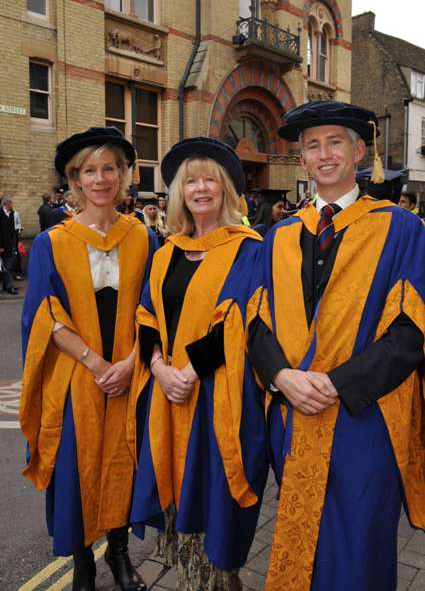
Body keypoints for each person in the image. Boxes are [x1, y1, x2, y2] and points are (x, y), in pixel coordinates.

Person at [248, 101, 425, 591]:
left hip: (364, 417)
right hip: (293, 413)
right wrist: (281, 379)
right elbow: (257, 324)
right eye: (311, 146)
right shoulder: (279, 235)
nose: (323, 154)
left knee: (360, 542)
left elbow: (411, 332)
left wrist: (335, 383)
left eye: (334, 142)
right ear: (301, 160)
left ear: (358, 151)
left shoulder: (400, 229)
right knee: (303, 535)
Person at [20, 127, 157, 591]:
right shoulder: (52, 243)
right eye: (88, 171)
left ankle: (118, 555)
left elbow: (154, 310)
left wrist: (132, 361)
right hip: (77, 376)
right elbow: (45, 317)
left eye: (109, 169)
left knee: (125, 462)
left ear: (122, 176)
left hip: (130, 374)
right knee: (76, 470)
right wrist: (98, 365)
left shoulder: (142, 237)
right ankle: (82, 562)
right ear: (75, 182)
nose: (100, 179)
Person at [128, 137, 268, 591]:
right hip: (169, 390)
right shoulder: (166, 251)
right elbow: (147, 315)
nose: (201, 189)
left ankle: (223, 577)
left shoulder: (249, 249)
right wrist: (159, 366)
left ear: (226, 189)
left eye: (211, 179)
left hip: (217, 393)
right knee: (175, 486)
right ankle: (195, 574)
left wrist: (188, 371)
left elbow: (241, 324)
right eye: (191, 182)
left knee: (214, 489)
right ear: (179, 194)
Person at [0, 197, 19, 294]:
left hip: (10, 244)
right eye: (11, 203)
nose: (12, 205)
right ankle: (9, 286)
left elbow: (12, 230)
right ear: (6, 204)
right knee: (6, 266)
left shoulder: (11, 214)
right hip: (2, 246)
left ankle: (6, 285)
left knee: (8, 265)